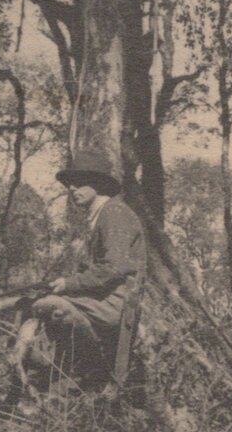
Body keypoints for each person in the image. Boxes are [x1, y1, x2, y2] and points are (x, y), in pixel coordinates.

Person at [15, 149, 146, 392]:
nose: (72, 188)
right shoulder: (102, 214)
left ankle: (38, 378)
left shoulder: (114, 213)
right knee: (33, 302)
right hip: (106, 299)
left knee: (48, 305)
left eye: (80, 182)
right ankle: (40, 376)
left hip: (117, 302)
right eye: (70, 184)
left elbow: (113, 268)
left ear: (97, 183)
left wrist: (68, 284)